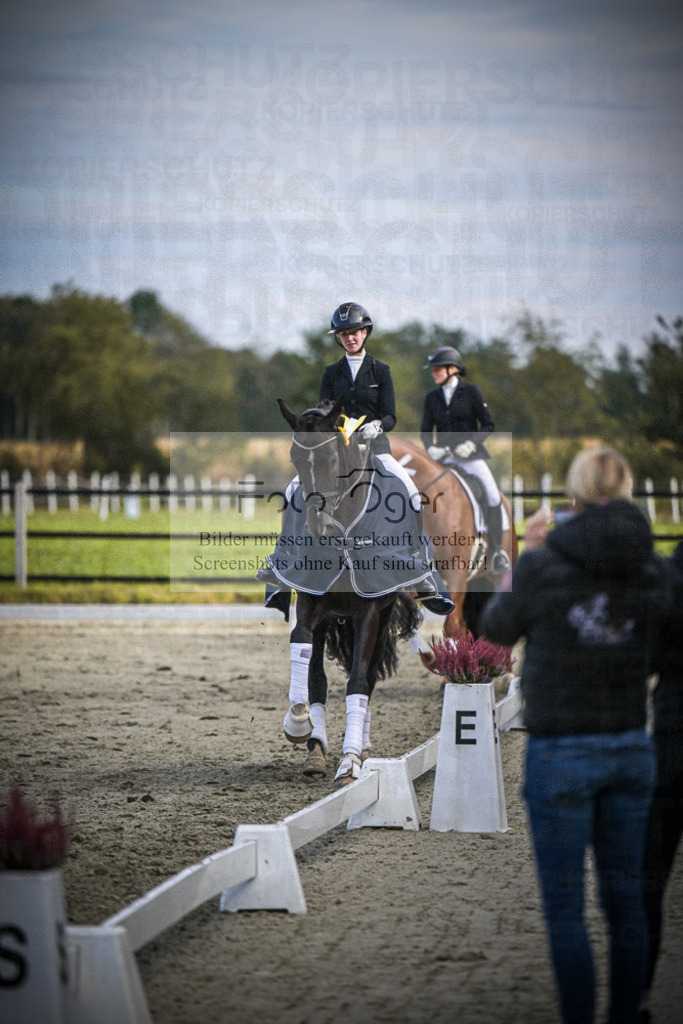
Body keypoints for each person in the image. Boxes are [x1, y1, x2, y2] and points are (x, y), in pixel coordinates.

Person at [479, 446, 670, 1024]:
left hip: (561, 747)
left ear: (573, 496)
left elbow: (494, 630)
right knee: (626, 908)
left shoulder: (542, 562)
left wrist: (526, 554)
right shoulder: (652, 565)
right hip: (630, 743)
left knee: (566, 910)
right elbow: (665, 641)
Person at [259, 302, 453, 617]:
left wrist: (377, 426)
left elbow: (390, 414)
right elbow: (322, 408)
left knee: (412, 494)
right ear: (340, 338)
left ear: (365, 333)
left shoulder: (381, 371)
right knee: (295, 490)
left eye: (355, 332)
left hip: (373, 445)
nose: (350, 338)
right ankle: (279, 566)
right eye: (344, 334)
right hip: (336, 448)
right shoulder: (331, 373)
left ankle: (425, 572)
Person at [639, 539, 683, 1024]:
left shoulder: (674, 570)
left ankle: (642, 992)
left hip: (674, 736)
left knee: (649, 877)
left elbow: (648, 656)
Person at [420, 345, 510, 574]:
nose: (434, 374)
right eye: (433, 370)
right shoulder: (432, 398)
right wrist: (431, 450)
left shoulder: (471, 392)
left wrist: (472, 443)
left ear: (453, 369)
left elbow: (488, 424)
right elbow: (424, 431)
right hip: (443, 460)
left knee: (491, 493)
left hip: (470, 458)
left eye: (438, 369)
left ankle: (498, 551)